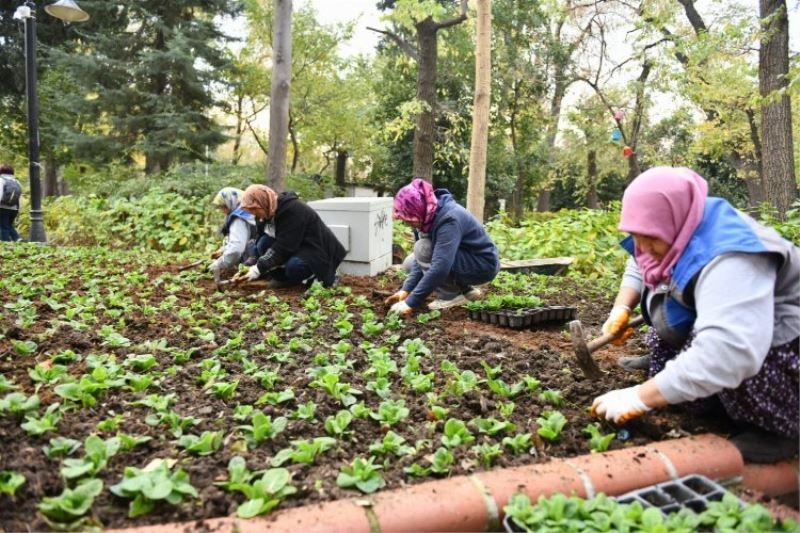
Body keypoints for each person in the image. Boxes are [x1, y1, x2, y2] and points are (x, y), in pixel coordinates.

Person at [591, 166, 799, 463]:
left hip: (782, 337)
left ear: (671, 221)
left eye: (648, 237)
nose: (641, 247)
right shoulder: (680, 224)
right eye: (634, 235)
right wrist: (621, 308)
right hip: (735, 324)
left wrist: (641, 396)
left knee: (732, 355)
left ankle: (777, 431)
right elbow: (640, 261)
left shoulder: (731, 257)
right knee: (670, 316)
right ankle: (709, 397)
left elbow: (730, 349)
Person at [386, 178, 500, 315]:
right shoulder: (425, 216)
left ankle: (450, 296)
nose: (409, 224)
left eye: (409, 219)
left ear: (418, 209)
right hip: (466, 259)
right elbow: (420, 258)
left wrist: (411, 302)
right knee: (411, 262)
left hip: (482, 265)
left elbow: (440, 266)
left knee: (423, 249)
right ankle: (466, 291)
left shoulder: (449, 219)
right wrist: (406, 290)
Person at [236, 184, 346, 288]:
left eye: (254, 210)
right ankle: (284, 277)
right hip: (295, 245)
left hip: (315, 248)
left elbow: (284, 246)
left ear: (262, 202)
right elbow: (260, 236)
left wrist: (258, 268)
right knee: (263, 243)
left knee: (295, 266)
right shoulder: (264, 214)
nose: (253, 214)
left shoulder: (292, 210)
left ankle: (321, 273)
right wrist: (253, 260)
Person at [208, 187, 266, 280]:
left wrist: (218, 264)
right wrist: (223, 250)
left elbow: (236, 249)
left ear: (232, 201)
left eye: (224, 206)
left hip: (257, 256)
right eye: (221, 207)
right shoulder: (246, 210)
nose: (223, 210)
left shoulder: (239, 218)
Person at [0, 164, 22, 242]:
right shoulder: (17, 182)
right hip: (14, 208)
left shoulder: (1, 180)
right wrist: (19, 209)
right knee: (8, 225)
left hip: (3, 207)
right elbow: (19, 196)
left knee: (3, 227)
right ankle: (17, 239)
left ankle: (5, 244)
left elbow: (0, 193)